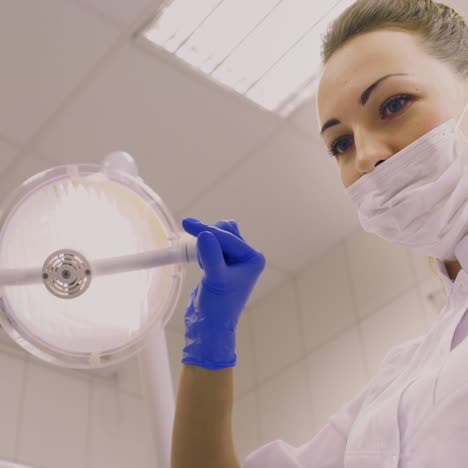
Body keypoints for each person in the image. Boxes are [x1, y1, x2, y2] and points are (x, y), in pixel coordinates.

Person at [170, 0, 468, 467]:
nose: (365, 156)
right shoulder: (396, 389)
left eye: (394, 104)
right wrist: (210, 344)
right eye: (341, 144)